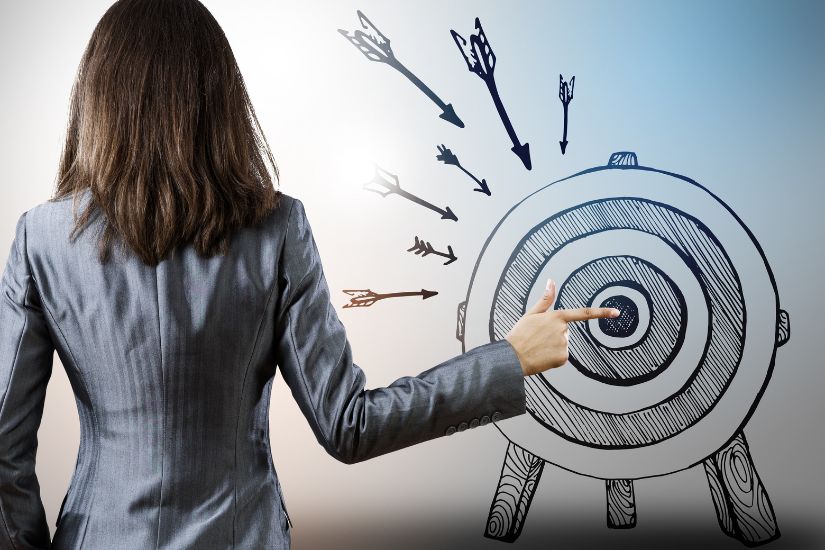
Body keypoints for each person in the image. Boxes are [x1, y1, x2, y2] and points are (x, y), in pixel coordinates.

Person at [0, 1, 620, 548]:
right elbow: (349, 424)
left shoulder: (43, 238)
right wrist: (508, 359)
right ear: (218, 98)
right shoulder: (275, 229)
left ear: (97, 100)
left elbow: (4, 448)